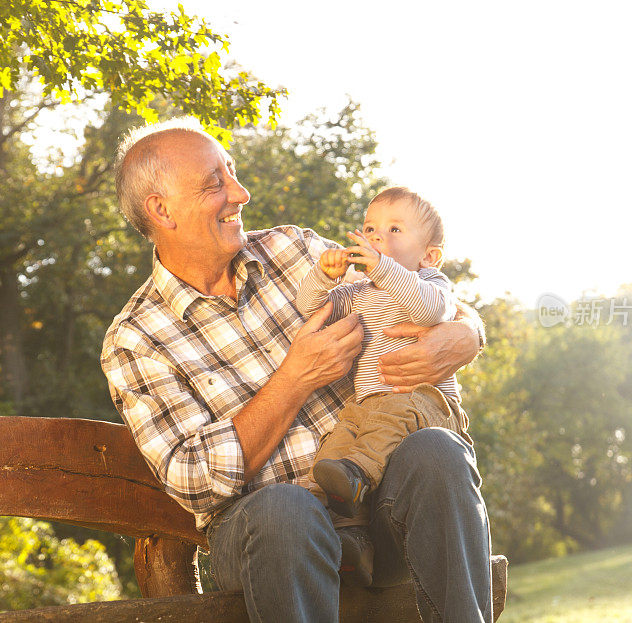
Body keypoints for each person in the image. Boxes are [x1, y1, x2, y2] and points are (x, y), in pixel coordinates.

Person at [100, 117, 494, 623]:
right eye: (215, 182)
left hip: (378, 509)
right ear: (162, 209)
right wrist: (294, 379)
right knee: (286, 509)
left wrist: (468, 331)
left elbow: (408, 284)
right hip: (264, 535)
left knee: (439, 449)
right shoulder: (136, 339)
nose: (241, 193)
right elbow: (193, 481)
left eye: (233, 173)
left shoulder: (292, 249)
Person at [296, 187, 472, 587]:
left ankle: (357, 472)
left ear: (429, 254)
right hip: (367, 404)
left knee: (382, 429)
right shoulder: (358, 292)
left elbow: (429, 310)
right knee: (337, 445)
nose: (378, 237)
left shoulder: (431, 281)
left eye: (395, 229)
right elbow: (310, 309)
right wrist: (324, 276)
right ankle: (350, 534)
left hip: (426, 404)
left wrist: (382, 269)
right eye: (370, 228)